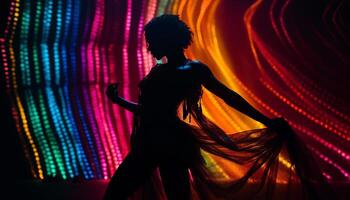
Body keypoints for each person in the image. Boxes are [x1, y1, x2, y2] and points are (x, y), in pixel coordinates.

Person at [103, 14, 334, 200]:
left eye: (152, 40)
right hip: (155, 142)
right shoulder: (159, 69)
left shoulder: (192, 69)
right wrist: (119, 101)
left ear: (167, 39)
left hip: (165, 143)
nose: (149, 46)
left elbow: (228, 96)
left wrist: (267, 122)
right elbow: (151, 111)